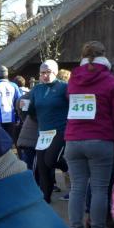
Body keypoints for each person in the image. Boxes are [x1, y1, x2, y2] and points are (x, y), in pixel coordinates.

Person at [65, 41, 114, 228]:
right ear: (104, 56)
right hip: (101, 140)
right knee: (100, 189)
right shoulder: (110, 81)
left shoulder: (74, 79)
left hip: (74, 140)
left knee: (77, 188)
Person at [27, 59, 69, 203]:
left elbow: (73, 107)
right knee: (43, 167)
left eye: (48, 72)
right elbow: (31, 111)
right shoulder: (37, 89)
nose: (45, 75)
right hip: (43, 133)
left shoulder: (64, 87)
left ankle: (69, 168)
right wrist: (24, 108)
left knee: (50, 160)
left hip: (60, 130)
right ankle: (46, 198)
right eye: (42, 73)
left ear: (55, 72)